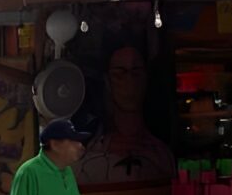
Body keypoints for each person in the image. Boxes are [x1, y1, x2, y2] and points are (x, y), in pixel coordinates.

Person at [75, 47, 176, 185]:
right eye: (119, 73)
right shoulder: (88, 160)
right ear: (107, 81)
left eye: (136, 72)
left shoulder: (162, 157)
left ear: (146, 78)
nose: (130, 82)